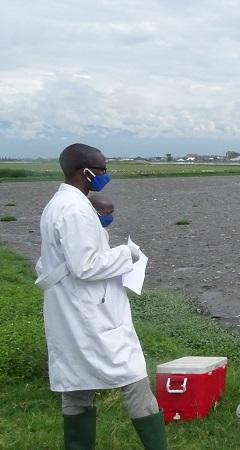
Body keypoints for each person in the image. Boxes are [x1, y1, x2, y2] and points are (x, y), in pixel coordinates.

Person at [35, 143, 167, 450]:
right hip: (91, 314)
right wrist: (128, 253)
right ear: (86, 172)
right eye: (103, 168)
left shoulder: (59, 204)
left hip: (72, 310)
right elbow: (85, 265)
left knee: (76, 385)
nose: (106, 174)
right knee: (133, 376)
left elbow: (55, 261)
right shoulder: (75, 210)